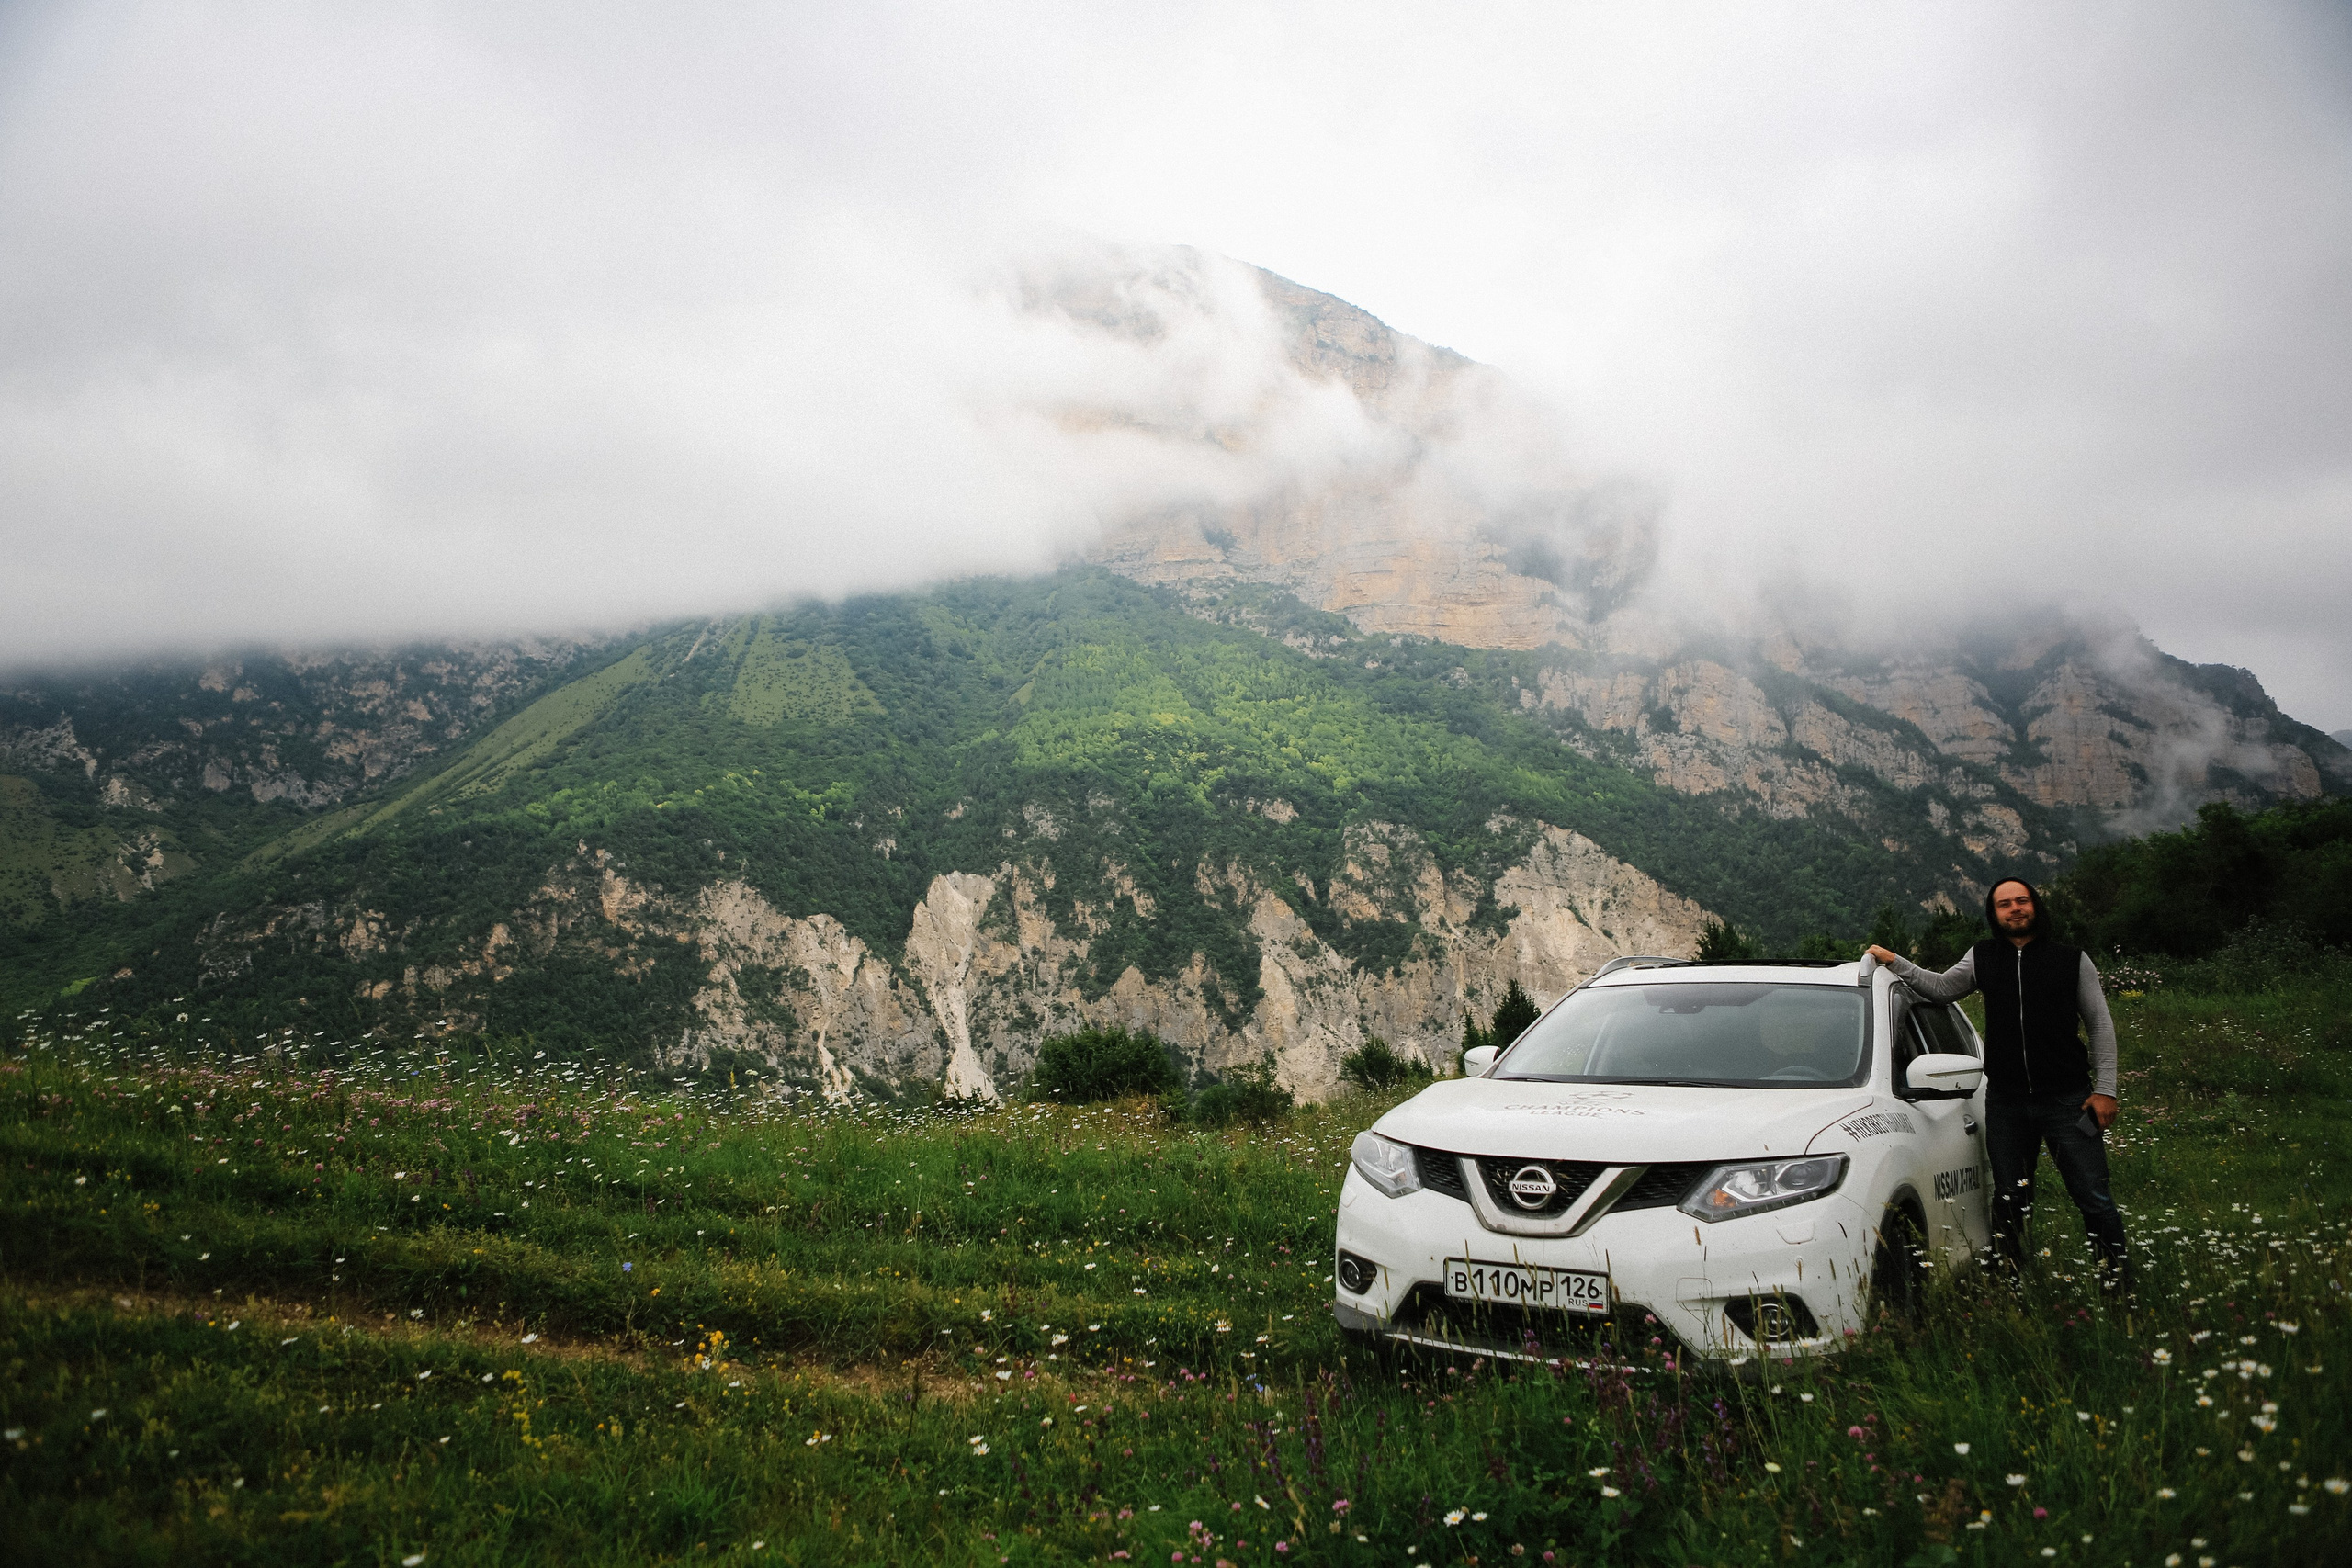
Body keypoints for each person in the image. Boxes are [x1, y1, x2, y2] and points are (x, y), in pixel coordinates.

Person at [1867, 876, 2129, 1291]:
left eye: (2022, 901)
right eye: (2004, 904)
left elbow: (2100, 1025)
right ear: (1994, 914)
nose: (2015, 909)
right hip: (2007, 1102)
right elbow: (1941, 988)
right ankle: (2010, 1281)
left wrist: (2106, 1090)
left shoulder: (2072, 960)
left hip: (2069, 1100)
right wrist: (1894, 961)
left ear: (2035, 906)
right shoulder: (1982, 956)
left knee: (2093, 1196)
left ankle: (2116, 1283)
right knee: (2010, 1197)